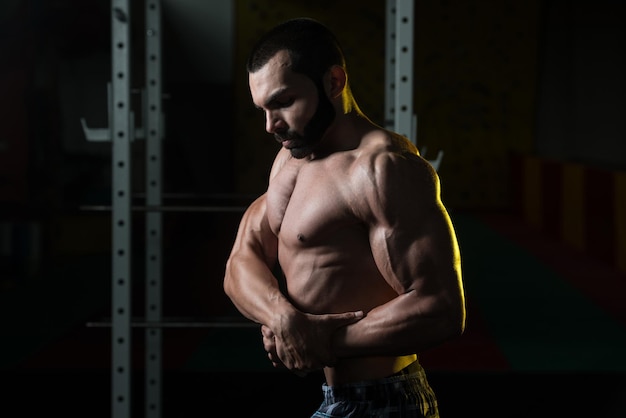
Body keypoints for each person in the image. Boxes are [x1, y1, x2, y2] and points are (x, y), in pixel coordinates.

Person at [223, 17, 465, 417]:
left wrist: (323, 342)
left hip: (385, 400)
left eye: (283, 102)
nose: (271, 125)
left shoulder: (382, 169)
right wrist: (283, 319)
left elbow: (441, 308)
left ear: (334, 82)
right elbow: (240, 262)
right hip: (335, 397)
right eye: (263, 109)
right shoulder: (290, 159)